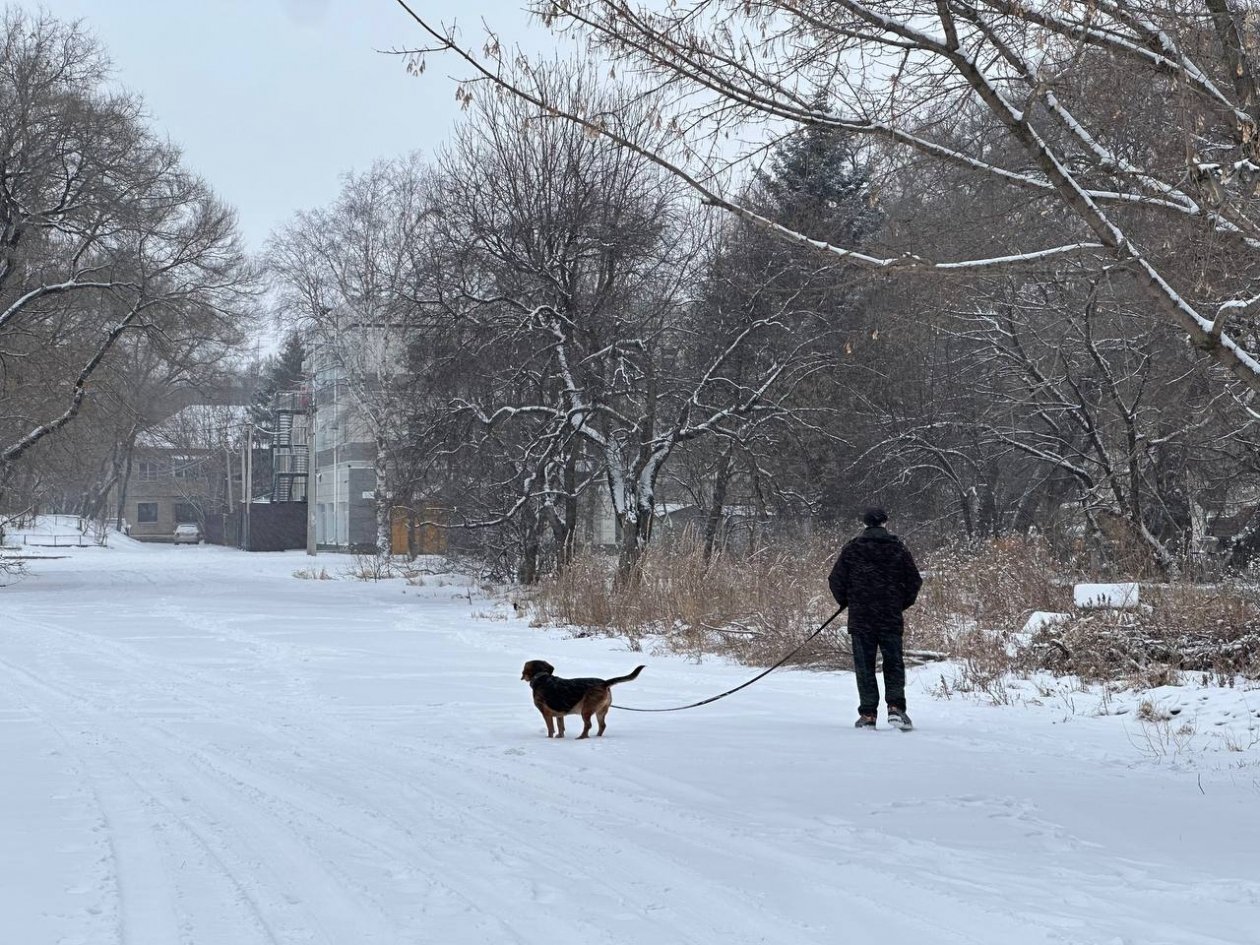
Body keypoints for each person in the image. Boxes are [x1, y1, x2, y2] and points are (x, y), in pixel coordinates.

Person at [828, 507, 923, 730]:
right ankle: (896, 709)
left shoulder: (852, 549)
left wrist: (848, 600)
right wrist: (899, 604)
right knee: (893, 663)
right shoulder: (897, 549)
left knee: (864, 666)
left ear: (864, 524)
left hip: (861, 617)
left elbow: (835, 580)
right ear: (884, 523)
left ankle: (868, 714)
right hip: (890, 616)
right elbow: (914, 581)